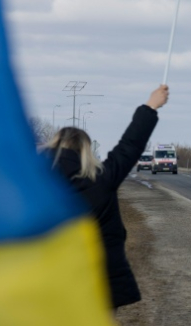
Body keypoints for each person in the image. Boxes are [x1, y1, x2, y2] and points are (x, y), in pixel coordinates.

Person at [44, 85, 169, 308]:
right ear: (85, 151)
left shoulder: (34, 185)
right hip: (100, 284)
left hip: (50, 284)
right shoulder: (102, 179)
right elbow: (130, 145)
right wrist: (151, 106)